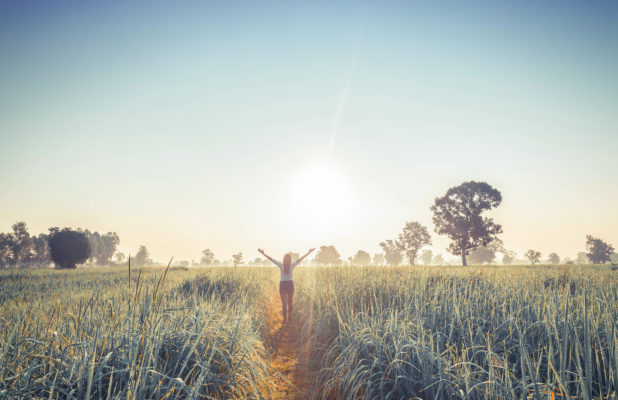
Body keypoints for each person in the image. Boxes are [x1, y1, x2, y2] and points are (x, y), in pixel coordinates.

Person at [258, 248, 314, 323]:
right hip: (290, 284)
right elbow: (301, 259)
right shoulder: (292, 265)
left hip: (283, 284)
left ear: (284, 259)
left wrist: (263, 253)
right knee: (290, 303)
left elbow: (271, 259)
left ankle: (285, 320)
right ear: (290, 259)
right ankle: (289, 319)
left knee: (284, 304)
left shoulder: (281, 265)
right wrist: (309, 252)